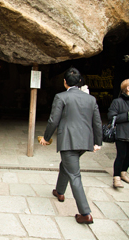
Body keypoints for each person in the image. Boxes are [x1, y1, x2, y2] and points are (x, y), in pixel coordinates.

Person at [39, 67, 102, 224]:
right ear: (80, 82)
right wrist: (97, 142)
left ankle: (85, 213)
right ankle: (59, 191)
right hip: (85, 141)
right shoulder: (91, 99)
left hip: (69, 141)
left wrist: (46, 138)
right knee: (66, 165)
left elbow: (53, 120)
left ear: (65, 82)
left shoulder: (61, 97)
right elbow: (98, 122)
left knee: (74, 175)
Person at [107, 79, 129, 188]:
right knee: (121, 155)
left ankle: (123, 173)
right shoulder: (117, 102)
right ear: (128, 88)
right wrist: (127, 116)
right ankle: (116, 177)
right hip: (122, 133)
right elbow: (111, 117)